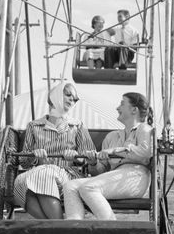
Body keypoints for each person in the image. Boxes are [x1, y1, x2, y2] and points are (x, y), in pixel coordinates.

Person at [63, 92, 153, 220]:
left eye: (122, 104)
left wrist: (115, 150)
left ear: (134, 110)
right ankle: (74, 230)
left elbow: (146, 153)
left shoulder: (144, 129)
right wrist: (93, 163)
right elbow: (100, 172)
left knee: (89, 188)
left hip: (136, 177)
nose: (117, 108)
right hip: (113, 177)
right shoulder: (111, 137)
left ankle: (113, 231)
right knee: (70, 186)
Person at [13, 81, 96, 219]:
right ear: (55, 96)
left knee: (44, 175)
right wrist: (35, 157)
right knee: (20, 182)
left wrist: (76, 157)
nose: (72, 99)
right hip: (38, 174)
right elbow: (23, 161)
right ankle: (56, 227)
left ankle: (55, 227)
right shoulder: (34, 126)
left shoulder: (77, 126)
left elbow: (89, 157)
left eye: (74, 98)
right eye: (68, 95)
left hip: (67, 177)